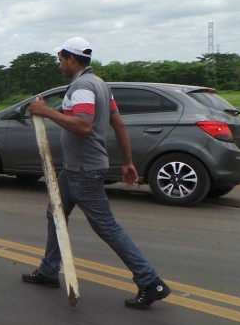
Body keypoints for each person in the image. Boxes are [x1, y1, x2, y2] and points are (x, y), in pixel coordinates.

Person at [22, 37, 170, 309]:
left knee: (106, 226)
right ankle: (48, 269)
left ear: (71, 59)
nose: (60, 66)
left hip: (84, 170)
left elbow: (83, 125)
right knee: (55, 212)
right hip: (76, 169)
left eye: (60, 60)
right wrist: (128, 162)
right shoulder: (100, 85)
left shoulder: (81, 86)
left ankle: (150, 281)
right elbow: (118, 125)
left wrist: (45, 111)